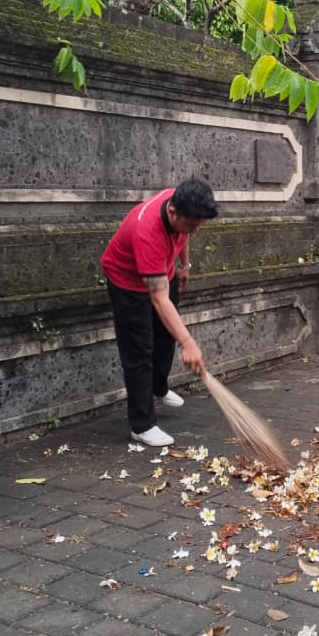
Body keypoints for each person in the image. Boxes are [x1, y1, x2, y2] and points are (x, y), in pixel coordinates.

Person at [100, 177, 218, 448]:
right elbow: (158, 297)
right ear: (173, 212)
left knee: (166, 335)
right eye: (191, 225)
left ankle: (158, 387)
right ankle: (142, 425)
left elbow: (184, 234)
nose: (193, 231)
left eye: (199, 225)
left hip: (162, 271)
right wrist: (189, 343)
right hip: (127, 281)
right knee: (139, 349)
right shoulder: (148, 232)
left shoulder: (178, 202)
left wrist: (184, 265)